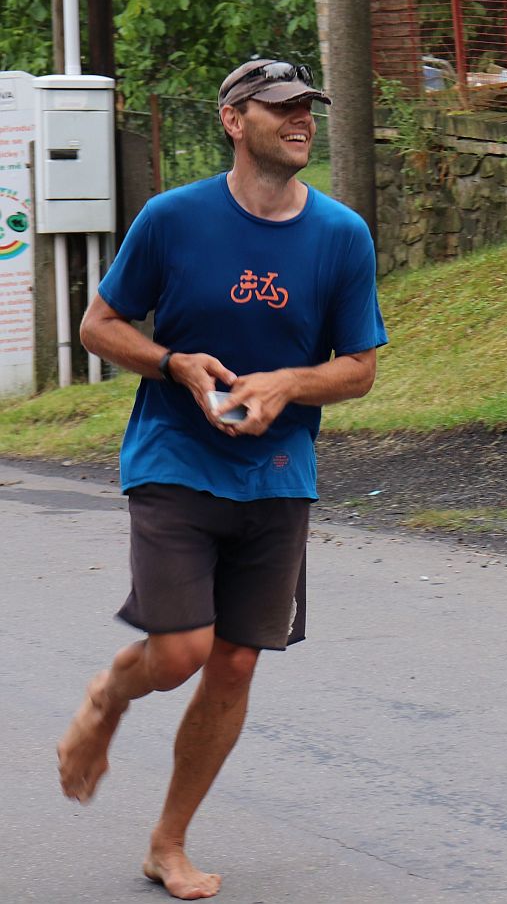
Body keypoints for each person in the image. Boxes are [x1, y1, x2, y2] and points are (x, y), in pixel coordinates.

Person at [57, 58, 388, 899]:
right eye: (280, 108)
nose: (300, 120)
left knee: (234, 664)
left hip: (279, 474)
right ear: (233, 120)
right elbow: (100, 326)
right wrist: (174, 364)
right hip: (174, 457)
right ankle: (108, 695)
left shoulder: (342, 235)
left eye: (307, 107)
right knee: (178, 651)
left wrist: (287, 383)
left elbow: (358, 369)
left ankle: (168, 843)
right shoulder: (173, 220)